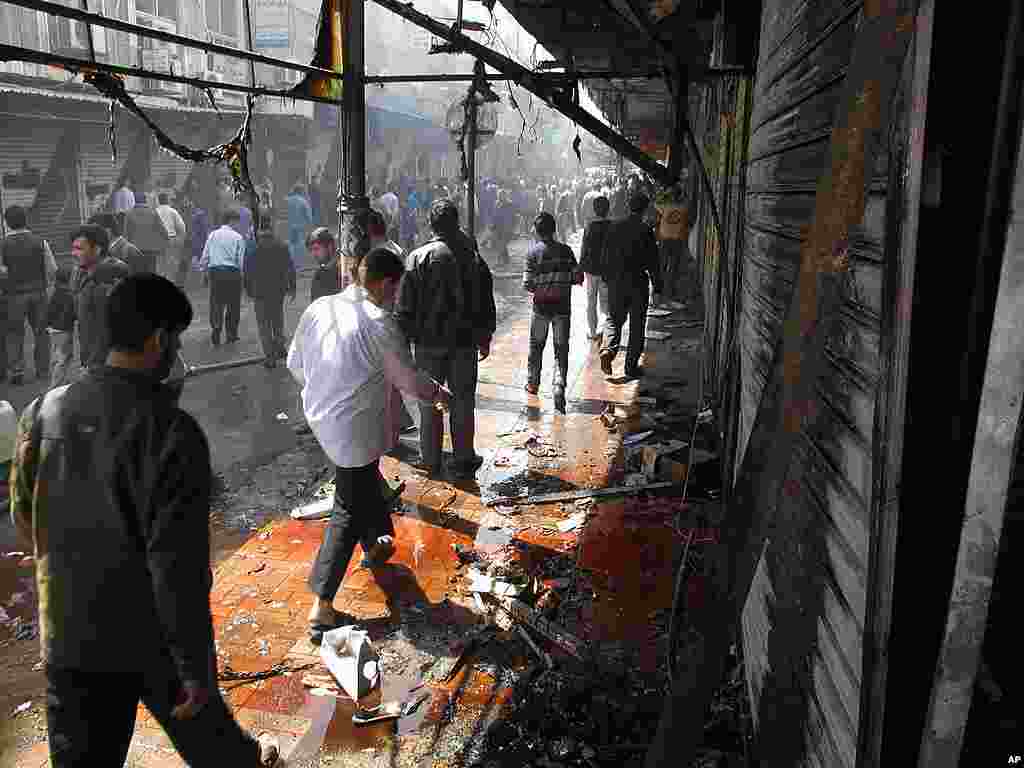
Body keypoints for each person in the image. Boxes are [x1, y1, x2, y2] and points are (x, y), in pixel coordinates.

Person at [10, 273, 280, 767]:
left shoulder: (41, 411)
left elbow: (25, 520)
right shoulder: (171, 432)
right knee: (212, 744)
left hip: (69, 636)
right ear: (160, 341)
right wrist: (198, 668)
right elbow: (176, 568)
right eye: (175, 340)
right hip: (152, 638)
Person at [287, 248, 452, 643]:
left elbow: (295, 362)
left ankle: (377, 540)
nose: (395, 299)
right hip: (353, 427)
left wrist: (326, 390)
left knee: (361, 482)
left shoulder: (320, 308)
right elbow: (408, 380)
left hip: (323, 418)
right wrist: (437, 393)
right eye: (394, 292)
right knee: (347, 505)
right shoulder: (379, 323)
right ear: (386, 284)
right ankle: (322, 605)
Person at [395, 199, 497, 480]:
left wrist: (404, 344)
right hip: (464, 344)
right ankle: (464, 457)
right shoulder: (472, 256)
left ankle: (431, 459)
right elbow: (486, 299)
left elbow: (404, 308)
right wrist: (485, 336)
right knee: (463, 401)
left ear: (431, 225)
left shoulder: (417, 258)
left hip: (427, 346)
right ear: (457, 223)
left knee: (429, 402)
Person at [522, 212, 582, 414]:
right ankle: (559, 386)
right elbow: (577, 277)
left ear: (537, 231)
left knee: (536, 347)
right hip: (562, 309)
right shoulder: (566, 251)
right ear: (554, 229)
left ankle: (532, 384)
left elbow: (528, 284)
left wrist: (542, 286)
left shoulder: (532, 253)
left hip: (540, 309)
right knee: (561, 349)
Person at [600, 192, 663, 380]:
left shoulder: (615, 227)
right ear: (645, 209)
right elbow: (653, 261)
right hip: (638, 283)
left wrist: (606, 277)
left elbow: (605, 254)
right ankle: (630, 367)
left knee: (613, 319)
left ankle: (608, 350)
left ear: (629, 206)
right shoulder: (646, 231)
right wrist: (658, 286)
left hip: (616, 281)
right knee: (637, 326)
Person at [2, 205, 56, 385]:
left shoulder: (3, 244)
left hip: (13, 295)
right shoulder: (41, 242)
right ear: (26, 219)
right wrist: (45, 286)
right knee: (41, 332)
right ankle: (43, 370)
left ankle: (17, 370)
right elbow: (51, 269)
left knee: (14, 333)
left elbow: (1, 272)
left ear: (7, 222)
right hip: (38, 292)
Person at [71, 224, 131, 374]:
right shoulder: (81, 274)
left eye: (79, 249)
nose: (73, 253)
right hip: (94, 359)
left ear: (97, 249)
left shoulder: (108, 278)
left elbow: (107, 328)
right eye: (73, 248)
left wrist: (93, 364)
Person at [244, 222, 296, 369]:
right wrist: (292, 287)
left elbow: (246, 271)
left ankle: (270, 358)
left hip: (259, 293)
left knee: (264, 325)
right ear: (272, 232)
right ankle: (280, 348)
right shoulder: (281, 246)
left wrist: (248, 290)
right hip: (278, 292)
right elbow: (290, 267)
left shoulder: (253, 248)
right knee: (278, 321)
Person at [200, 208, 246, 346]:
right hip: (232, 272)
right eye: (237, 221)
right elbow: (240, 260)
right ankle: (231, 334)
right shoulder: (238, 237)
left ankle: (216, 327)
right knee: (233, 304)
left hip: (215, 271)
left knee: (216, 302)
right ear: (232, 221)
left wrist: (203, 271)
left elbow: (205, 256)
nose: (239, 224)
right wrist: (242, 276)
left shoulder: (213, 235)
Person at [579, 195, 613, 341]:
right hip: (607, 270)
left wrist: (580, 269)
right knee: (606, 303)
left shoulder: (589, 227)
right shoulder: (613, 226)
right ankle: (607, 333)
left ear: (594, 210)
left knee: (591, 301)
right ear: (608, 209)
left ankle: (593, 332)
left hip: (591, 270)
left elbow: (584, 250)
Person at [45, 265, 76, 389]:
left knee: (57, 357)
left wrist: (48, 324)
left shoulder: (56, 292)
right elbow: (70, 312)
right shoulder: (69, 294)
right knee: (63, 358)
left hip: (54, 329)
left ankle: (60, 381)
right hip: (63, 330)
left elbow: (49, 310)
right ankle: (56, 386)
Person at [124, 192, 169, 274]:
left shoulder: (129, 214)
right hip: (151, 250)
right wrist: (166, 239)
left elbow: (126, 233)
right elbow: (162, 229)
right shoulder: (152, 212)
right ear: (145, 200)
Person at [156, 193, 188, 286]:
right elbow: (182, 226)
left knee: (160, 263)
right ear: (167, 200)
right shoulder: (172, 211)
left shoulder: (155, 211)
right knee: (171, 262)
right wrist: (180, 238)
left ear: (158, 200)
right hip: (171, 238)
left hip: (158, 240)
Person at [308, 227, 341, 303]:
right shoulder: (319, 275)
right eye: (311, 250)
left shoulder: (343, 270)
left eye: (316, 249)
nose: (313, 254)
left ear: (329, 247)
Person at [287, 184, 313, 269]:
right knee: (299, 245)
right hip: (300, 226)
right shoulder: (303, 201)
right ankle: (298, 264)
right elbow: (308, 215)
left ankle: (290, 263)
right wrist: (310, 224)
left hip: (290, 225)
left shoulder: (288, 200)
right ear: (301, 191)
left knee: (291, 245)